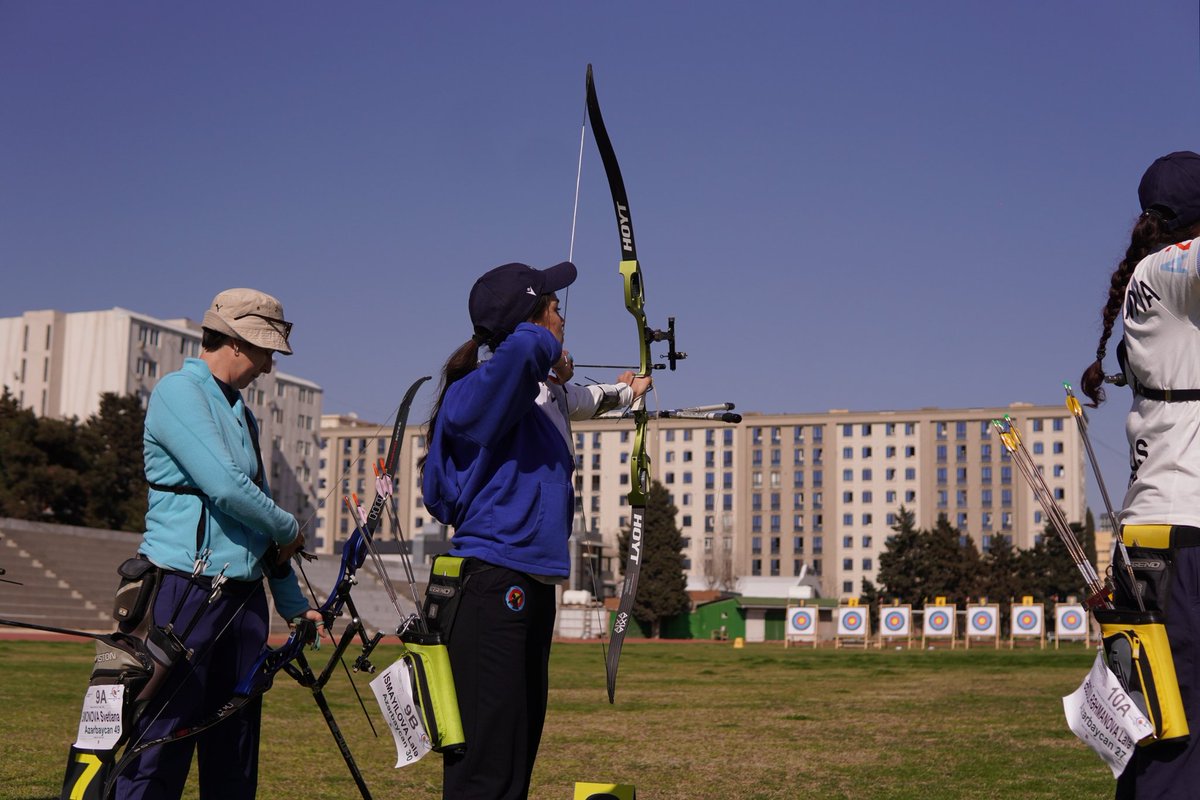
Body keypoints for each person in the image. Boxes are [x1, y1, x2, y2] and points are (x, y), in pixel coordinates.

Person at [420, 261, 650, 800]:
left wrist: (625, 392)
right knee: (485, 763)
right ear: (530, 317)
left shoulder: (534, 394)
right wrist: (546, 346)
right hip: (490, 583)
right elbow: (523, 356)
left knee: (517, 751)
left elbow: (577, 400)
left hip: (526, 583)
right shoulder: (477, 389)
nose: (562, 313)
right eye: (553, 304)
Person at [116, 288, 322, 800]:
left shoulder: (243, 415)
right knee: (158, 748)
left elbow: (260, 523)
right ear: (235, 342)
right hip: (184, 593)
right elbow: (229, 489)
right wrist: (290, 527)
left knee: (234, 753)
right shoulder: (177, 392)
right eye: (267, 351)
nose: (271, 366)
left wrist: (296, 607)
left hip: (244, 603)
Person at [1081, 151, 1200, 799]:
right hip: (1183, 535)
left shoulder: (1161, 280)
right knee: (1173, 741)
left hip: (1160, 535)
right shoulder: (1171, 269)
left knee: (1165, 730)